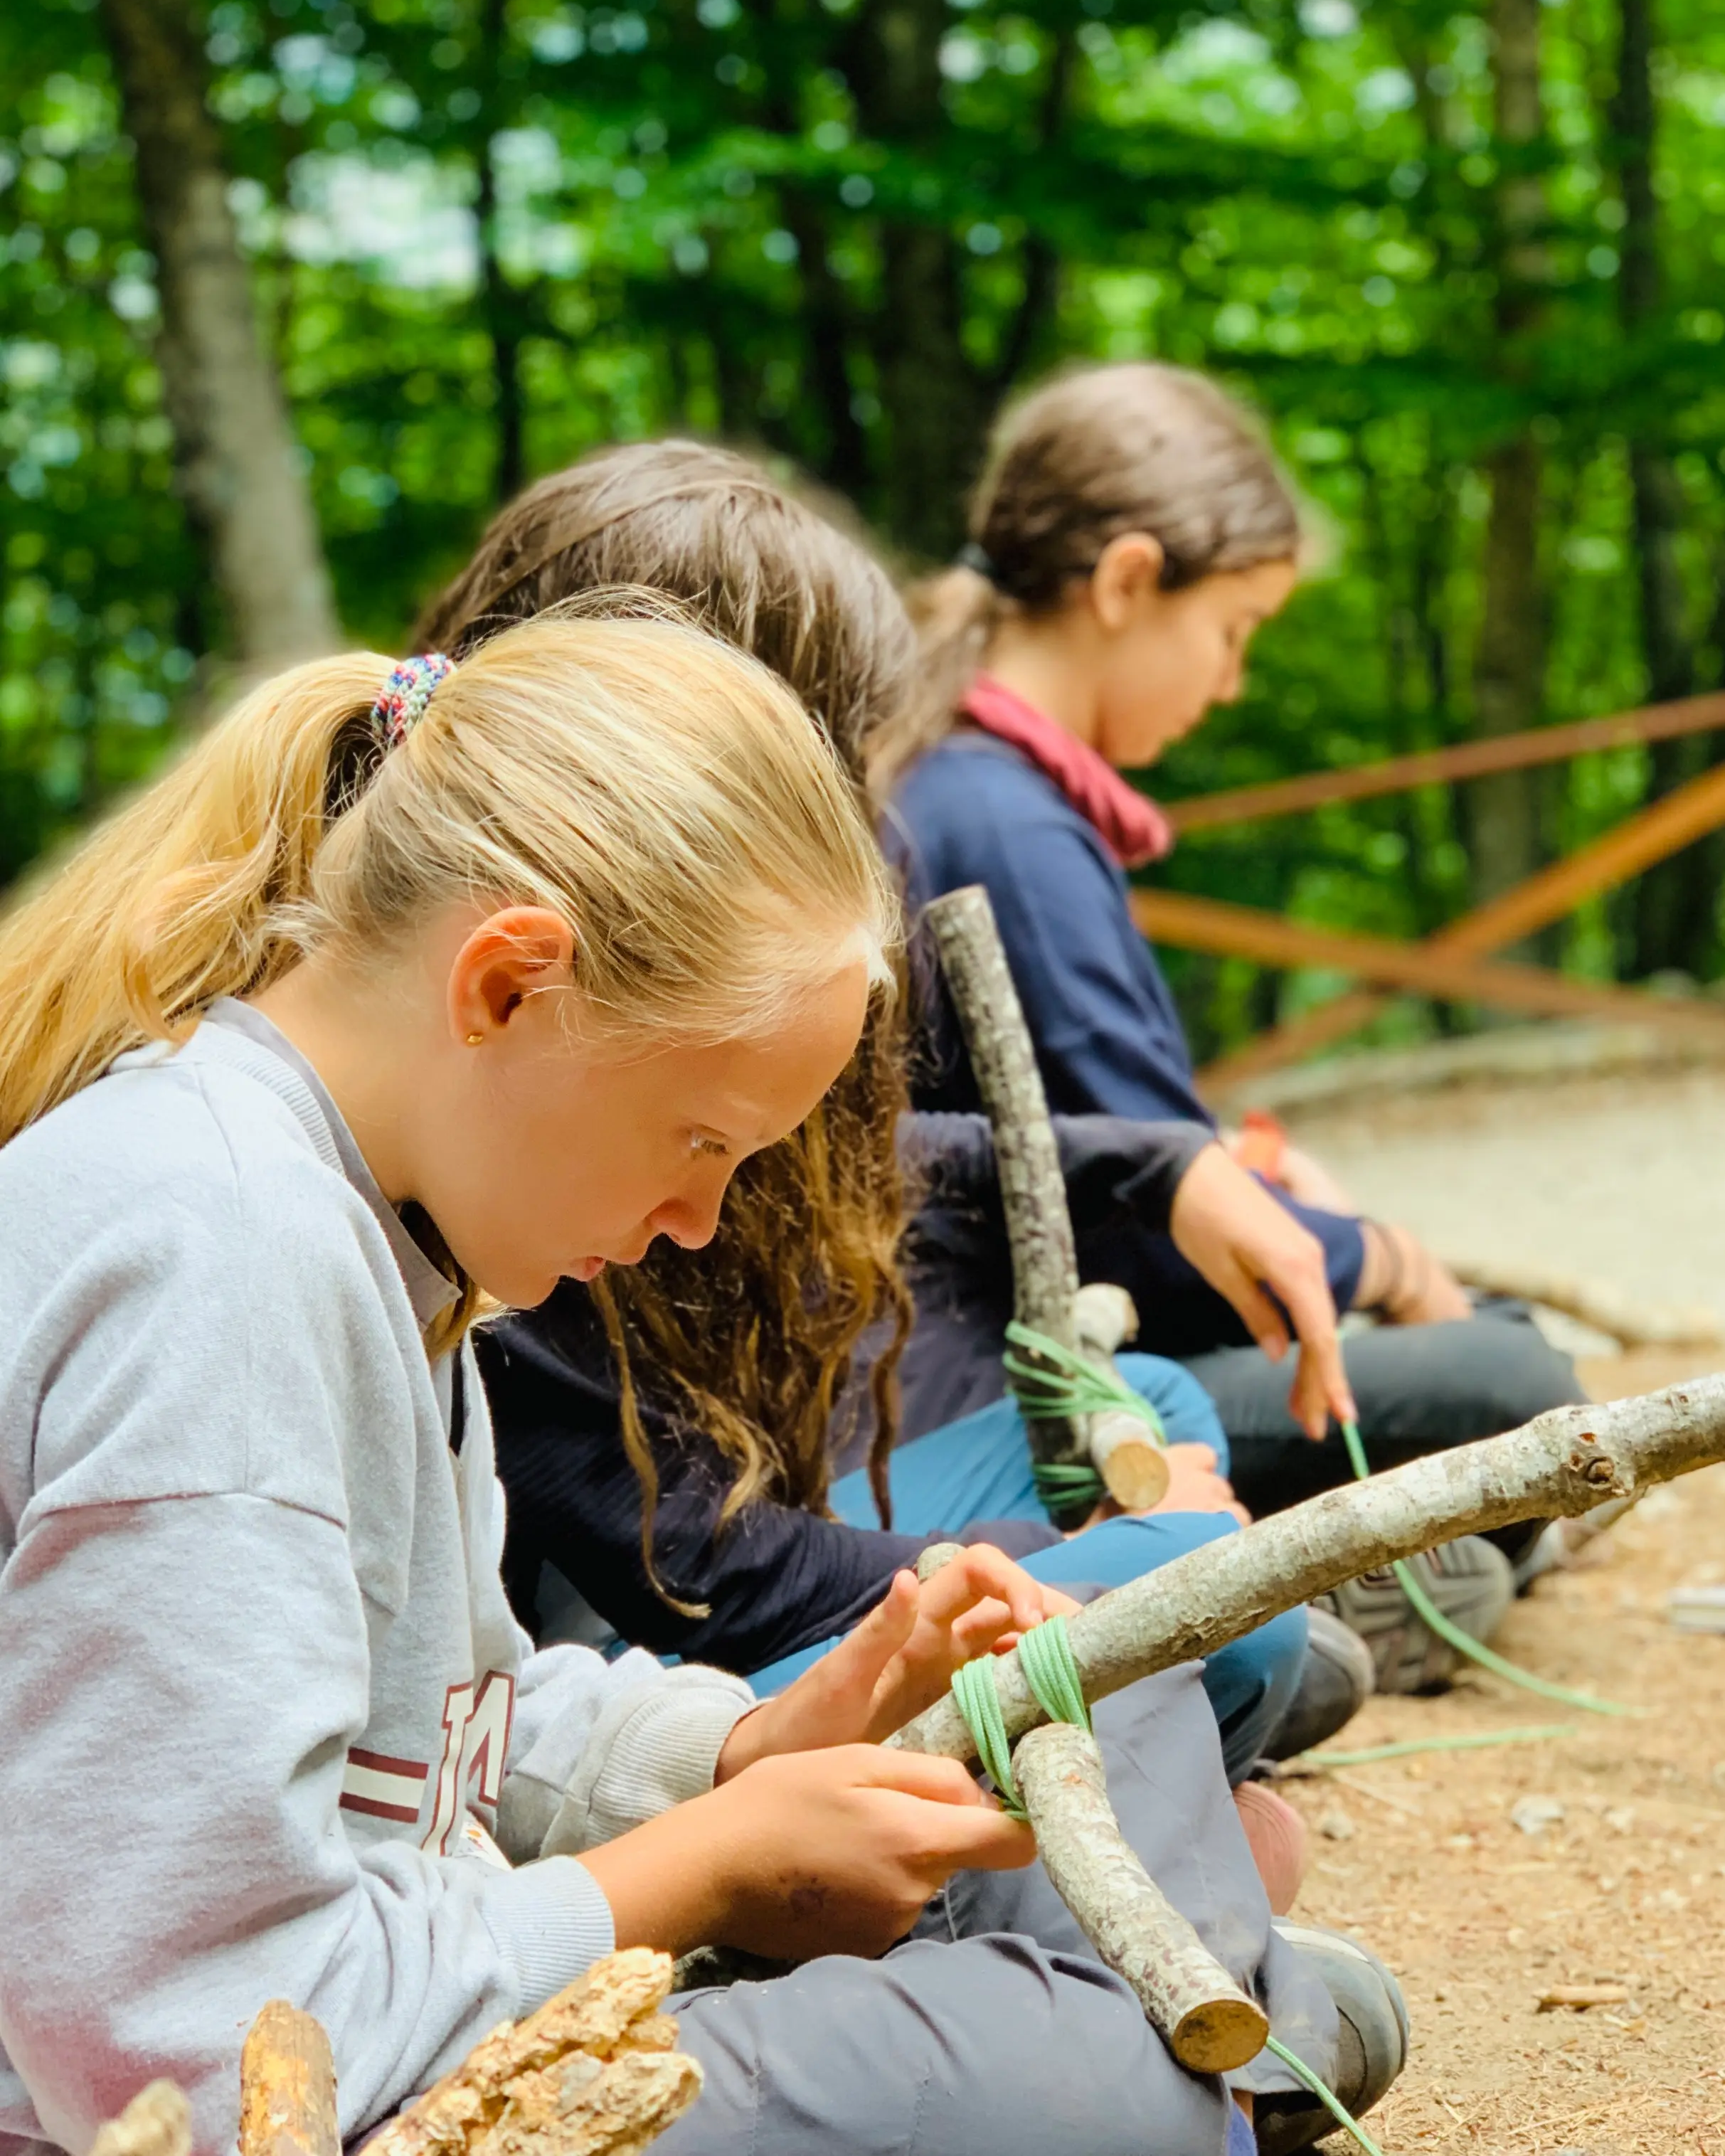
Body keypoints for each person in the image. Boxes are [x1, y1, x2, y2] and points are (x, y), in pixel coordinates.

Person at [0, 612, 1406, 2156]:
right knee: (1098, 2077)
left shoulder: (375, 1227)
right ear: (508, 987)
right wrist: (701, 1870)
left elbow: (453, 1732)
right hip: (305, 2103)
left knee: (1079, 1674)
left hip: (420, 1988)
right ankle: (1206, 2021)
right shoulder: (222, 1259)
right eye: (701, 1140)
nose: (698, 1221)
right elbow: (187, 2051)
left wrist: (760, 1745)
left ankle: (1180, 2025)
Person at [413, 442, 1376, 1780]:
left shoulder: (531, 1018)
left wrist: (1158, 1169)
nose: (874, 820)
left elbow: (868, 1167)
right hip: (620, 1672)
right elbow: (696, 1566)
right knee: (1219, 1583)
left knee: (1162, 1439)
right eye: (845, 767)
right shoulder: (511, 1094)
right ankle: (1162, 1724)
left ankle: (1162, 1705)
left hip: (706, 1595)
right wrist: (1073, 1558)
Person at [891, 359, 1583, 1689]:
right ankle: (1303, 1573)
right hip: (1036, 1379)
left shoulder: (973, 784)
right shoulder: (1013, 827)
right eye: (1234, 629)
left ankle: (1337, 1573)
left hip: (1048, 1337)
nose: (1234, 681)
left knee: (1482, 1341)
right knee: (1515, 1375)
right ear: (1127, 580)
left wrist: (1254, 1177)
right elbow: (1156, 1237)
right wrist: (1384, 1259)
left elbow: (1118, 1143)